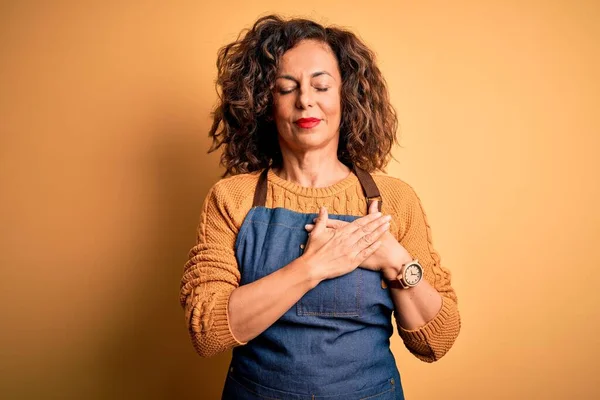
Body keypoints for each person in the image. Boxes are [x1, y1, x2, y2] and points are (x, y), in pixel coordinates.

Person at [179, 14, 461, 400]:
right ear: (265, 103)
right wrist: (314, 267)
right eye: (286, 88)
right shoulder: (232, 198)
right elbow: (208, 331)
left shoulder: (394, 199)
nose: (305, 100)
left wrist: (395, 259)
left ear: (346, 97)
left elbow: (437, 341)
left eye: (321, 85)